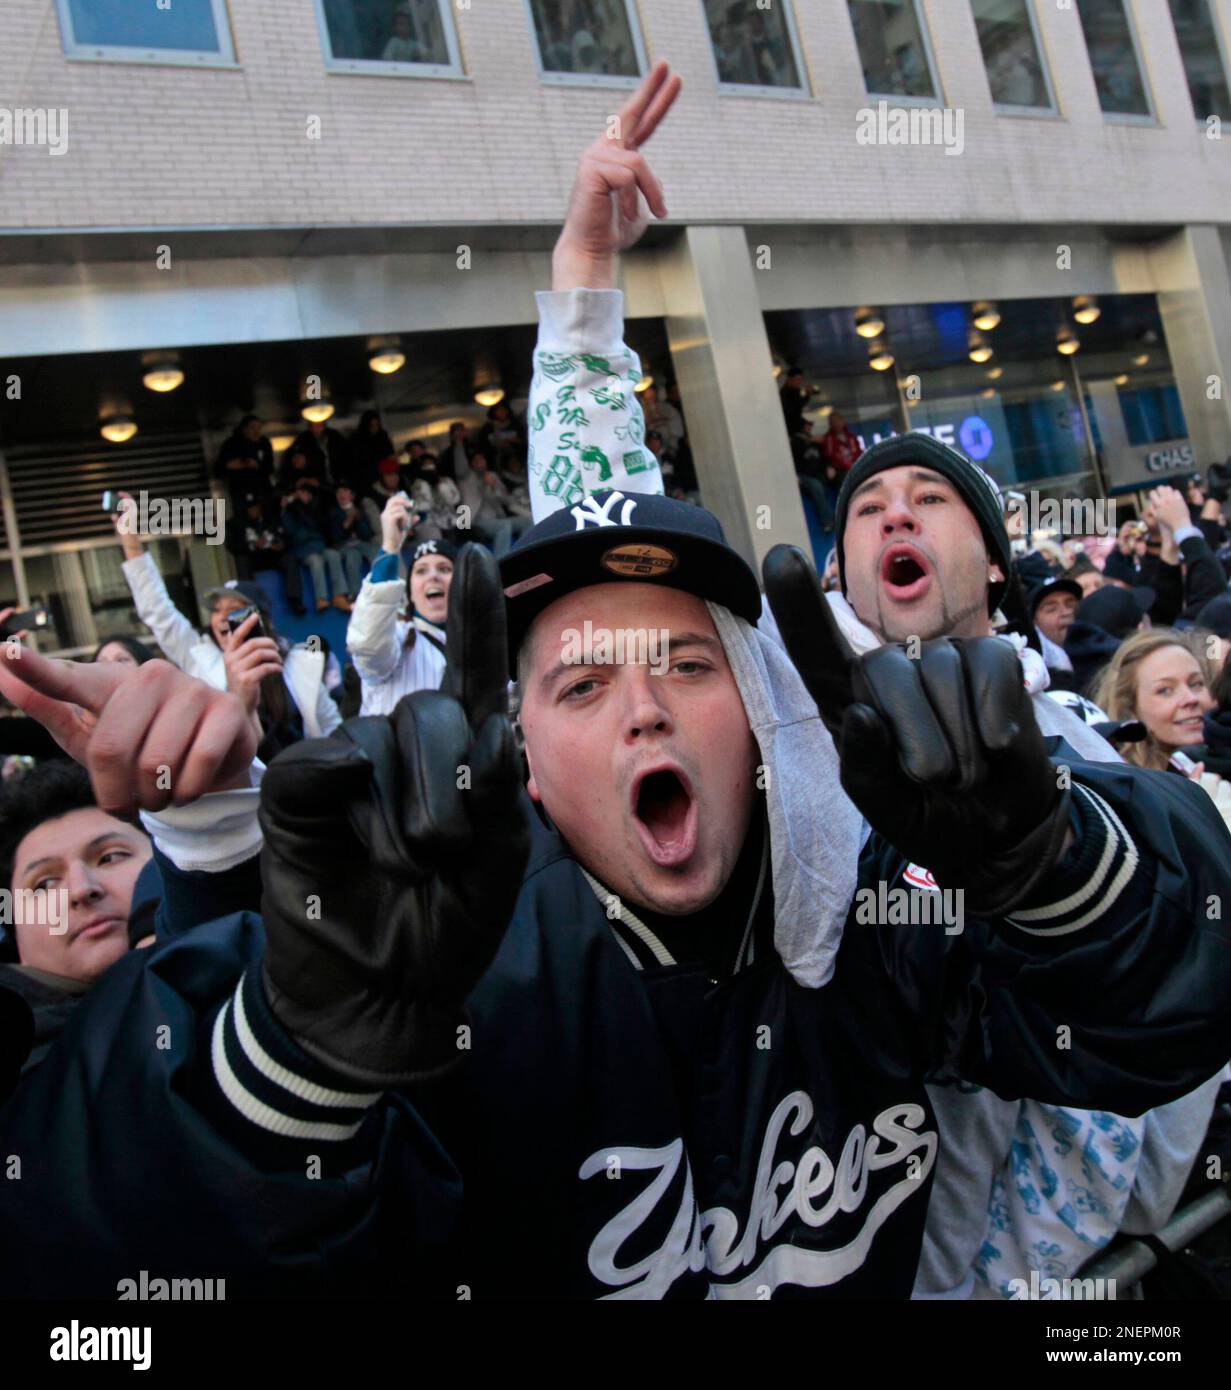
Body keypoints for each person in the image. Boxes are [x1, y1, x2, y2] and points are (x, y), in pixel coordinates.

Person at [113, 496, 340, 742]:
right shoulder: (197, 658)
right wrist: (131, 542)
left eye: (234, 609)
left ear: (262, 620)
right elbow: (157, 611)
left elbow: (331, 727)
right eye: (216, 610)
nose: (222, 617)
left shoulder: (301, 661)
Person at [346, 495, 452, 716]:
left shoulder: (482, 643)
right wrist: (391, 547)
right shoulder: (399, 637)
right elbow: (368, 644)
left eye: (444, 569)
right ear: (410, 591)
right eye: (421, 571)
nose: (433, 576)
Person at [1090, 628, 1216, 773]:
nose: (1191, 699)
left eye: (1196, 684)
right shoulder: (1117, 784)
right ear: (1129, 706)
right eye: (1165, 690)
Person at [281, 478, 352, 613]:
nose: (304, 496)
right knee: (316, 561)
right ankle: (321, 599)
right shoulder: (290, 512)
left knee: (333, 555)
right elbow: (292, 532)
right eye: (301, 493)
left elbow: (321, 527)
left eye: (307, 493)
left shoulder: (316, 509)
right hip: (303, 550)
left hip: (320, 546)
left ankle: (340, 595)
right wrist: (290, 506)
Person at [456, 449, 532, 558]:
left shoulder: (492, 476)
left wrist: (493, 486)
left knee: (527, 521)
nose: (480, 462)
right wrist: (458, 443)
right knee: (504, 526)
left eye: (481, 459)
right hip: (476, 521)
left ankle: (522, 553)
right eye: (476, 461)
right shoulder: (466, 479)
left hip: (497, 518)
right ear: (471, 464)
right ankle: (501, 562)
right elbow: (460, 467)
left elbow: (507, 500)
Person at [327, 482, 380, 597]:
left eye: (345, 492)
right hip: (343, 545)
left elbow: (367, 534)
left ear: (352, 496)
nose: (341, 495)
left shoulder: (359, 510)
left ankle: (379, 587)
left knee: (376, 552)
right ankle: (355, 594)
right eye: (339, 492)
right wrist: (348, 522)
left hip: (360, 542)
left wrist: (358, 520)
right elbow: (336, 537)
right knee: (352, 556)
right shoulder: (333, 513)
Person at [214, 415, 274, 502]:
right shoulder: (231, 444)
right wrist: (234, 465)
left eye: (259, 427)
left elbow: (270, 467)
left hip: (262, 487)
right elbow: (219, 469)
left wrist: (257, 466)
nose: (257, 431)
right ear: (244, 429)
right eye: (253, 428)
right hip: (241, 489)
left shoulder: (264, 443)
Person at [346, 410, 395, 496]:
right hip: (365, 476)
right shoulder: (357, 439)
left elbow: (389, 453)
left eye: (376, 425)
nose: (374, 428)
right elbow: (357, 460)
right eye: (372, 425)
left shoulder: (382, 436)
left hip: (383, 475)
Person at [819, 410, 864, 480]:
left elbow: (858, 452)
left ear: (842, 421)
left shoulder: (851, 436)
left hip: (857, 468)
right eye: (833, 422)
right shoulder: (828, 439)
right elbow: (829, 457)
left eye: (837, 421)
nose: (836, 424)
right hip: (842, 472)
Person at [779, 366, 810, 436]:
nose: (799, 382)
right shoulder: (786, 394)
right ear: (789, 379)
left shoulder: (794, 392)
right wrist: (803, 424)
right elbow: (791, 414)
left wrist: (807, 396)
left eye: (801, 380)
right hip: (790, 432)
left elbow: (797, 406)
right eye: (797, 379)